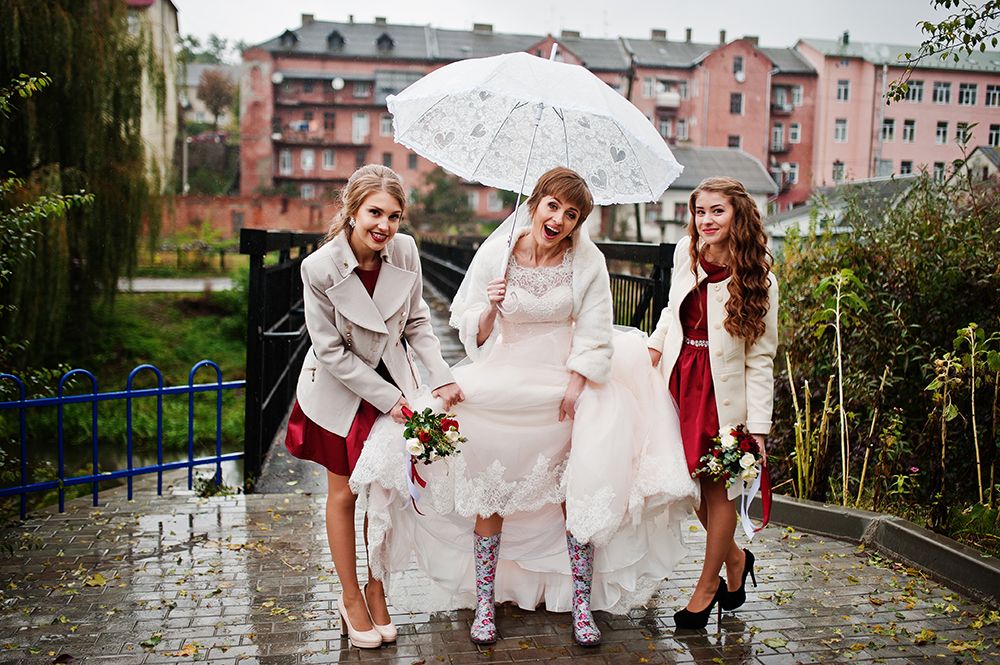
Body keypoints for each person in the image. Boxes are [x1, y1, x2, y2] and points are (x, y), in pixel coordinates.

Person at [352, 167, 697, 646]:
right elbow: (471, 331)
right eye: (552, 206)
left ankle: (581, 604)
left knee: (576, 488)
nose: (558, 220)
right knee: (488, 484)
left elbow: (596, 330)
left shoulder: (587, 261)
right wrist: (490, 307)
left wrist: (578, 382)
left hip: (562, 380)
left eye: (571, 214)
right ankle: (484, 604)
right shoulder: (499, 253)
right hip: (504, 373)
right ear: (535, 204)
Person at [285, 164, 464, 649]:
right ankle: (350, 597)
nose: (384, 226)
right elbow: (330, 352)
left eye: (394, 216)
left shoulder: (404, 252)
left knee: (383, 494)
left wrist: (441, 376)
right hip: (342, 392)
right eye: (375, 213)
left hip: (395, 381)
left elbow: (418, 322)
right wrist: (390, 400)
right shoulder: (318, 268)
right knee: (344, 494)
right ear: (352, 210)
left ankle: (376, 587)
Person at [647, 176, 779, 629]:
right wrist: (652, 352)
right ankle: (736, 559)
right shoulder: (687, 254)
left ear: (737, 214)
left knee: (718, 489)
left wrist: (757, 428)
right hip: (679, 380)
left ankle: (706, 589)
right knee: (688, 485)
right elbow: (671, 313)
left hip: (722, 396)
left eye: (717, 211)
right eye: (700, 211)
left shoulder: (760, 279)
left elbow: (760, 358)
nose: (706, 220)